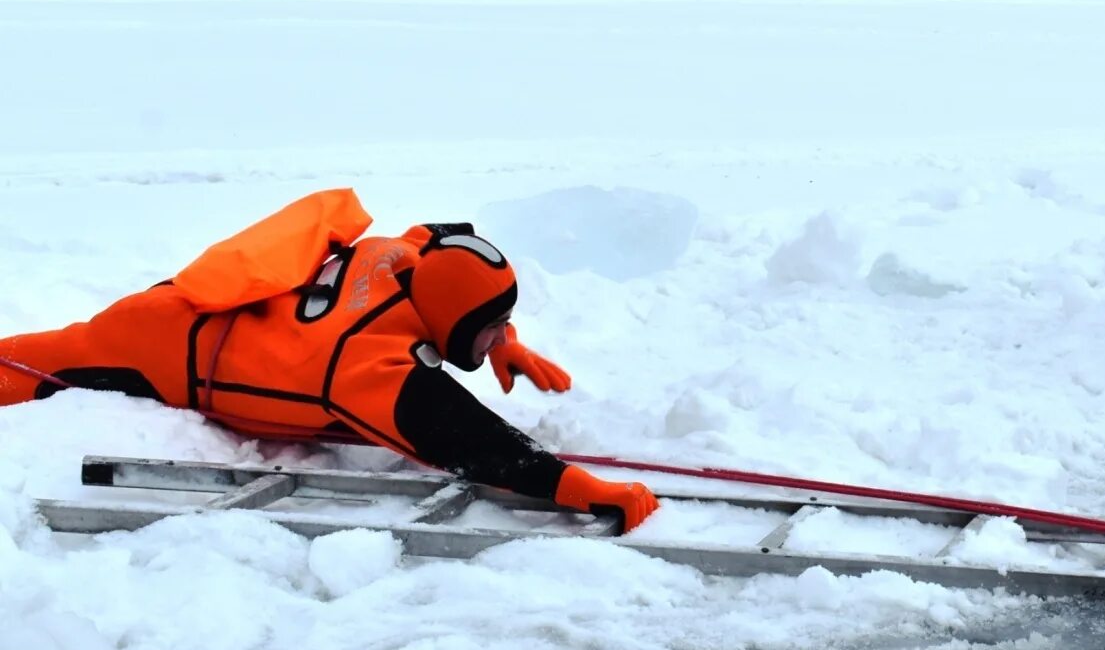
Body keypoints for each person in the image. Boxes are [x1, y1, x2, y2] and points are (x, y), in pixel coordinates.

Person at [0, 190, 658, 534]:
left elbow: (446, 236)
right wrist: (583, 491)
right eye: (486, 330)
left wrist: (503, 341)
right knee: (32, 366)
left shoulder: (398, 258)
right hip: (159, 351)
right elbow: (472, 442)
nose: (495, 341)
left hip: (195, 314)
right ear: (450, 319)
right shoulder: (362, 368)